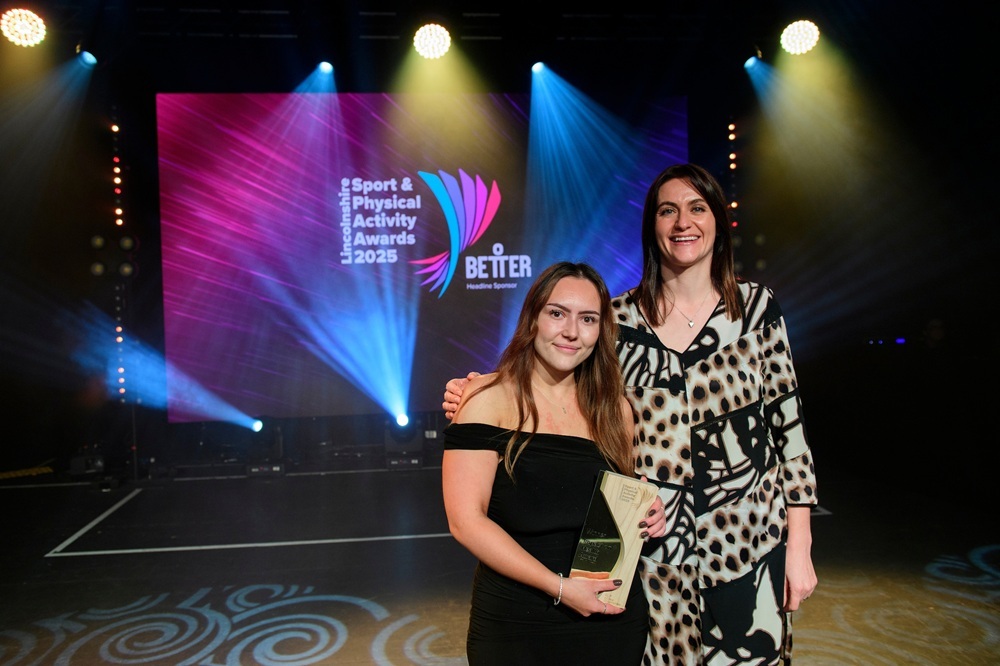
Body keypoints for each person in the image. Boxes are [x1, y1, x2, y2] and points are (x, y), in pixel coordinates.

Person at [443, 164, 819, 665]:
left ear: (718, 220)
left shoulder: (756, 310)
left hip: (750, 546)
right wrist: (479, 386)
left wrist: (800, 545)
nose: (683, 222)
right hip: (654, 558)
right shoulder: (616, 320)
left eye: (697, 208)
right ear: (651, 225)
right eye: (668, 211)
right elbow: (552, 375)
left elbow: (789, 432)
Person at [442, 261, 667, 665]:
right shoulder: (486, 399)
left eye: (588, 319)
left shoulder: (614, 410)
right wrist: (560, 587)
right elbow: (465, 522)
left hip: (609, 623)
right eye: (557, 313)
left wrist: (647, 512)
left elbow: (615, 503)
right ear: (533, 318)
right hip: (517, 626)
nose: (571, 331)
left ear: (601, 330)